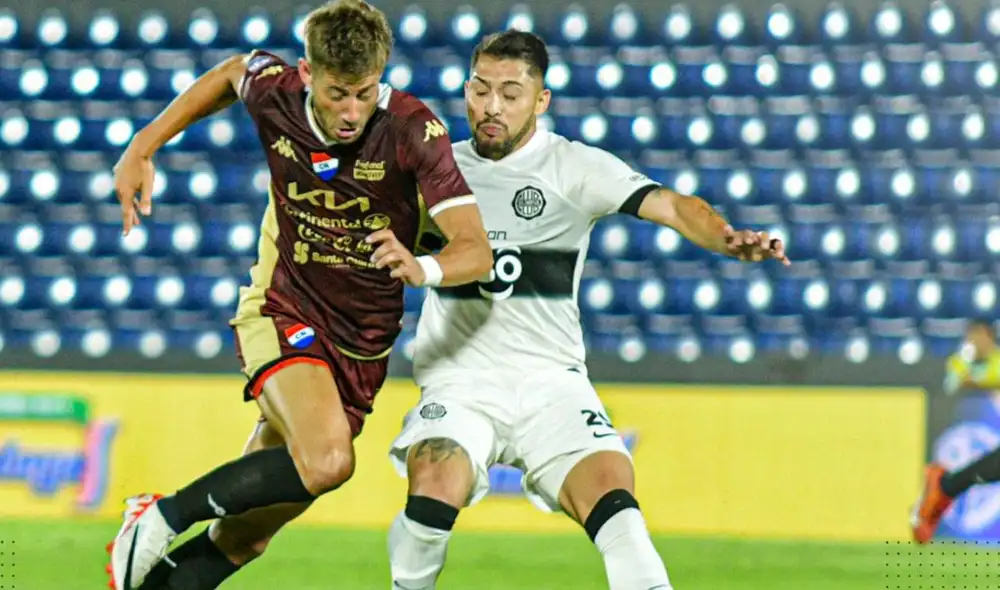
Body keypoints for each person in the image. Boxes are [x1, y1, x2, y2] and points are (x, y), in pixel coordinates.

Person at [106, 1, 493, 588]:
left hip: (361, 349)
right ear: (307, 75)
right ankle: (160, 515)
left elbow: (475, 250)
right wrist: (143, 144)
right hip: (283, 308)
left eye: (365, 93)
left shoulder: (415, 130)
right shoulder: (275, 92)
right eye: (338, 93)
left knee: (245, 535)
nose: (351, 112)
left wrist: (425, 266)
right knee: (329, 461)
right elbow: (232, 73)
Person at [386, 31, 790, 590]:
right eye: (480, 91)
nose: (492, 107)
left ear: (541, 100)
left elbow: (671, 204)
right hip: (461, 383)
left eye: (511, 92)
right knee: (434, 477)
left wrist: (725, 237)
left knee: (615, 496)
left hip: (551, 384)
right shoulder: (438, 175)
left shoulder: (574, 167)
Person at [911, 319, 1000, 544]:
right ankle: (945, 485)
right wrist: (967, 359)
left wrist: (970, 376)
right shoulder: (964, 359)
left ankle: (946, 485)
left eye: (978, 335)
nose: (974, 340)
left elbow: (985, 378)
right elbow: (952, 382)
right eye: (971, 336)